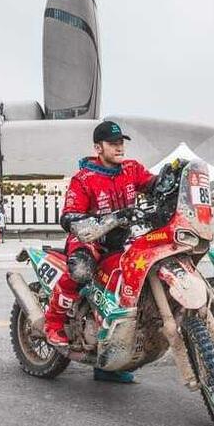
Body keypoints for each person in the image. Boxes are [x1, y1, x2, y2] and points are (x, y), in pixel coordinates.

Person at [44, 121, 155, 381]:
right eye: (113, 144)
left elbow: (153, 184)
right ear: (98, 148)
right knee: (81, 270)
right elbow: (70, 215)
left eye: (121, 143)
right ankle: (53, 322)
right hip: (89, 239)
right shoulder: (83, 179)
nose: (119, 147)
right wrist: (104, 219)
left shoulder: (132, 169)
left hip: (122, 241)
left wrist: (175, 175)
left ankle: (108, 362)